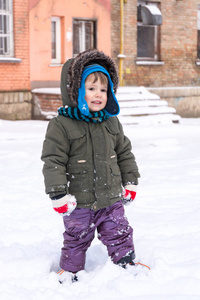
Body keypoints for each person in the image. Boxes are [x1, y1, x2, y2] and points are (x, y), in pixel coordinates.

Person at [41, 49, 140, 282]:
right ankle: (71, 271)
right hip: (79, 201)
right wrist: (57, 193)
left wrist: (130, 180)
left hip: (111, 197)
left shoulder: (111, 122)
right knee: (76, 237)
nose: (98, 95)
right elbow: (53, 160)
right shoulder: (61, 125)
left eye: (103, 90)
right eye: (91, 88)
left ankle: (126, 263)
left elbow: (124, 151)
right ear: (75, 91)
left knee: (119, 231)